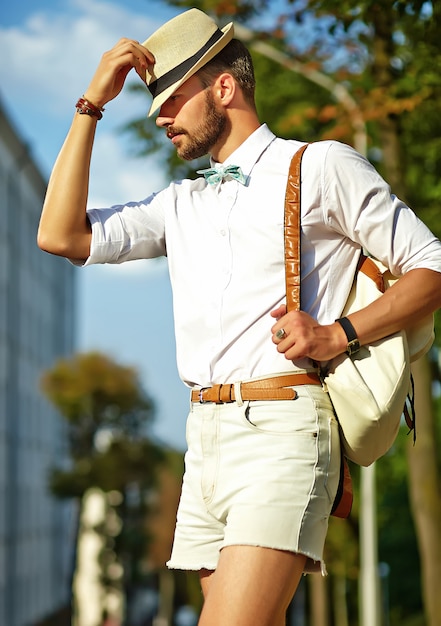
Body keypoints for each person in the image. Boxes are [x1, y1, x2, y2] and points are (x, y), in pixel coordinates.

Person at [38, 8, 441, 626]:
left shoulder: (320, 166)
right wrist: (89, 105)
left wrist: (339, 333)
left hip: (284, 430)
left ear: (222, 87)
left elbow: (430, 264)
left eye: (171, 101)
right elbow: (60, 236)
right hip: (204, 441)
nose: (162, 119)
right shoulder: (181, 202)